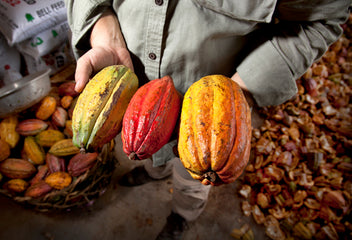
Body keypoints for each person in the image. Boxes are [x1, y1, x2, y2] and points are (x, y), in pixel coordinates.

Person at [65, 0, 350, 239]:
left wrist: (242, 89)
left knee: (195, 176)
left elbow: (325, 18)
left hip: (209, 117)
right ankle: (153, 172)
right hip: (132, 91)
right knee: (146, 151)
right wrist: (102, 27)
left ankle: (183, 214)